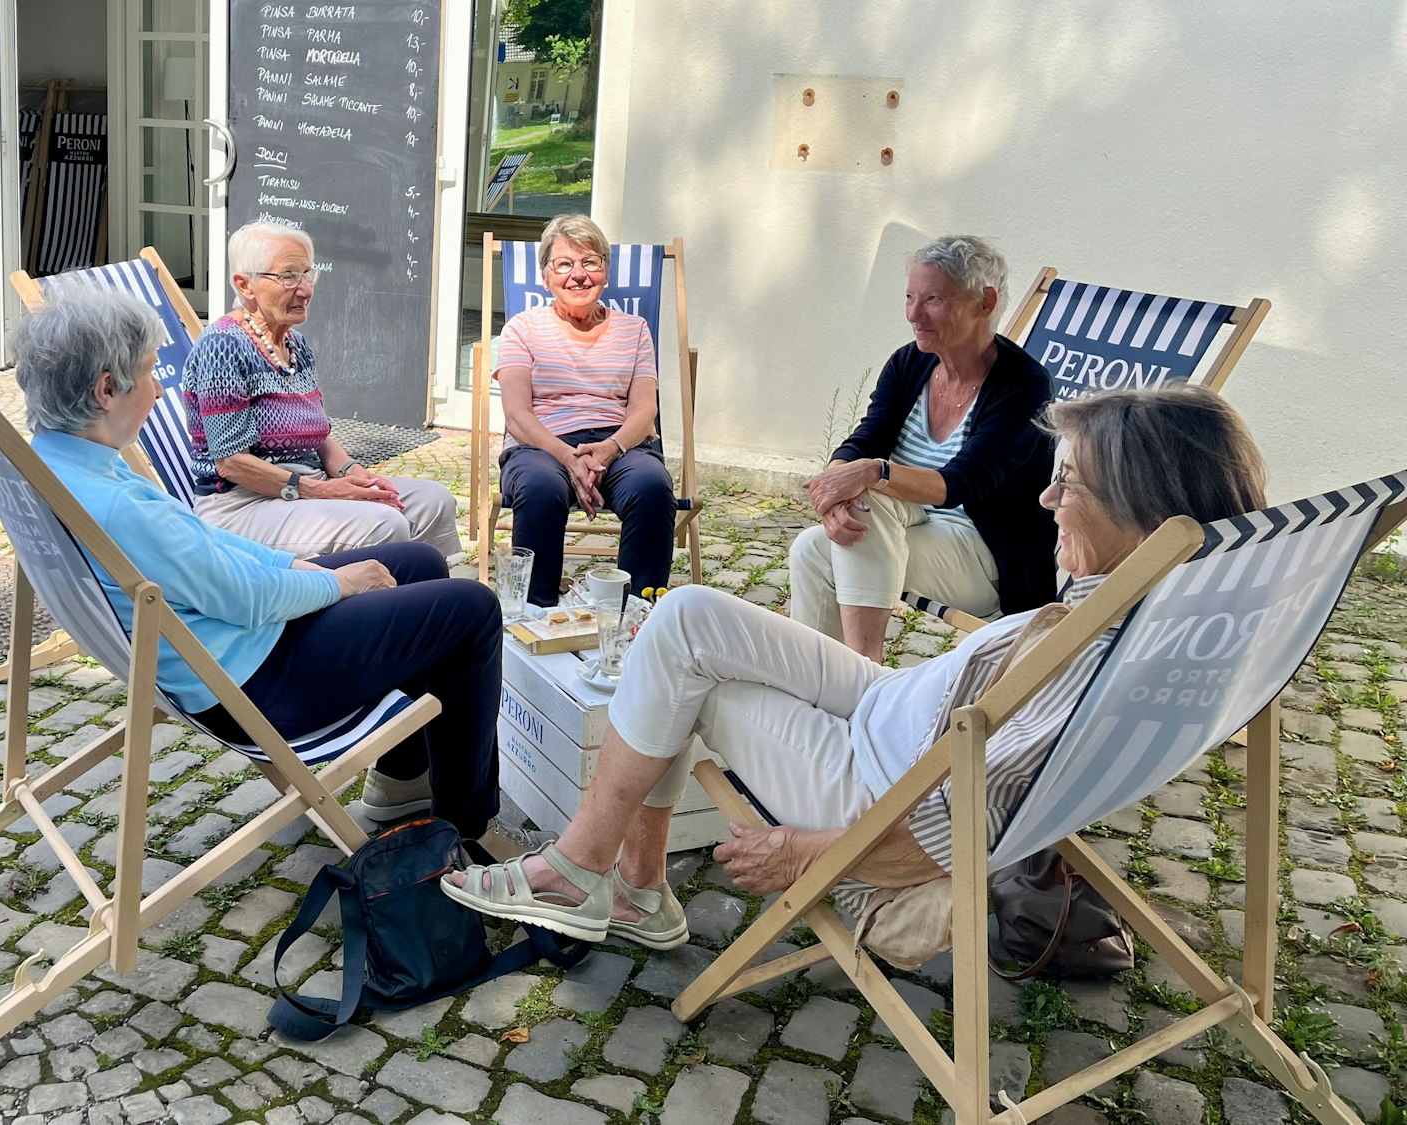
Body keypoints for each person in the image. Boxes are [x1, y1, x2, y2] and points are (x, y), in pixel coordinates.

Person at [443, 385, 1264, 948]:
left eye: (1070, 484)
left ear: (1147, 511)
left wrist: (807, 850)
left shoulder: (1100, 650)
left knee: (686, 666)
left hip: (876, 783)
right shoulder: (1157, 607)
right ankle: (627, 884)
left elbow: (973, 820)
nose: (1047, 501)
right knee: (685, 614)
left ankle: (594, 873)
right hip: (898, 712)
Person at [17, 287, 510, 847]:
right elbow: (244, 599)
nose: (158, 391)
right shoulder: (115, 504)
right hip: (254, 681)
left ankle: (402, 779)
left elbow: (209, 544)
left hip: (236, 645)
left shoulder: (61, 461)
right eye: (151, 374)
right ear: (107, 389)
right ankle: (467, 825)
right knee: (472, 609)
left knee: (417, 560)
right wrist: (337, 581)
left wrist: (292, 562)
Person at [792, 234, 1056, 661]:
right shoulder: (909, 362)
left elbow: (960, 484)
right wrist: (837, 487)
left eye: (933, 299)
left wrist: (871, 473)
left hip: (984, 553)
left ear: (984, 302)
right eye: (910, 296)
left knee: (866, 500)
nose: (914, 314)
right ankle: (814, 681)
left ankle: (863, 677)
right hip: (905, 527)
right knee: (815, 544)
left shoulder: (1023, 386)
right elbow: (866, 438)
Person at [182, 222, 463, 559]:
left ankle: (438, 599)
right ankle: (384, 605)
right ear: (245, 285)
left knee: (434, 502)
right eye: (288, 276)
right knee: (383, 524)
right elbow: (231, 463)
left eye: (307, 274)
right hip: (243, 504)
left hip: (304, 490)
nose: (305, 289)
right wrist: (322, 491)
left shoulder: (294, 343)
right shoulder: (223, 347)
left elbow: (321, 437)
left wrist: (361, 479)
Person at [496, 213, 677, 605]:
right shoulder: (521, 329)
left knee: (652, 488)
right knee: (540, 488)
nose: (578, 275)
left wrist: (610, 448)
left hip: (620, 445)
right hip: (540, 446)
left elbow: (645, 411)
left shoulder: (635, 329)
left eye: (590, 262)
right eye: (563, 264)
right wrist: (566, 455)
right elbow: (517, 414)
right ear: (546, 276)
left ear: (606, 271)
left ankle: (634, 615)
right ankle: (536, 613)